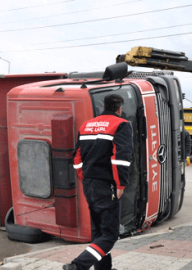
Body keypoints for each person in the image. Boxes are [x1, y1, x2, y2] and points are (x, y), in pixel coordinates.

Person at [64, 94, 133, 270]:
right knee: (110, 235)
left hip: (89, 184)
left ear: (104, 107)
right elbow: (121, 158)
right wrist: (120, 185)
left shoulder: (86, 125)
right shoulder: (121, 124)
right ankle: (78, 266)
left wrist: (83, 177)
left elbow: (77, 156)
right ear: (119, 109)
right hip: (107, 185)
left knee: (99, 232)